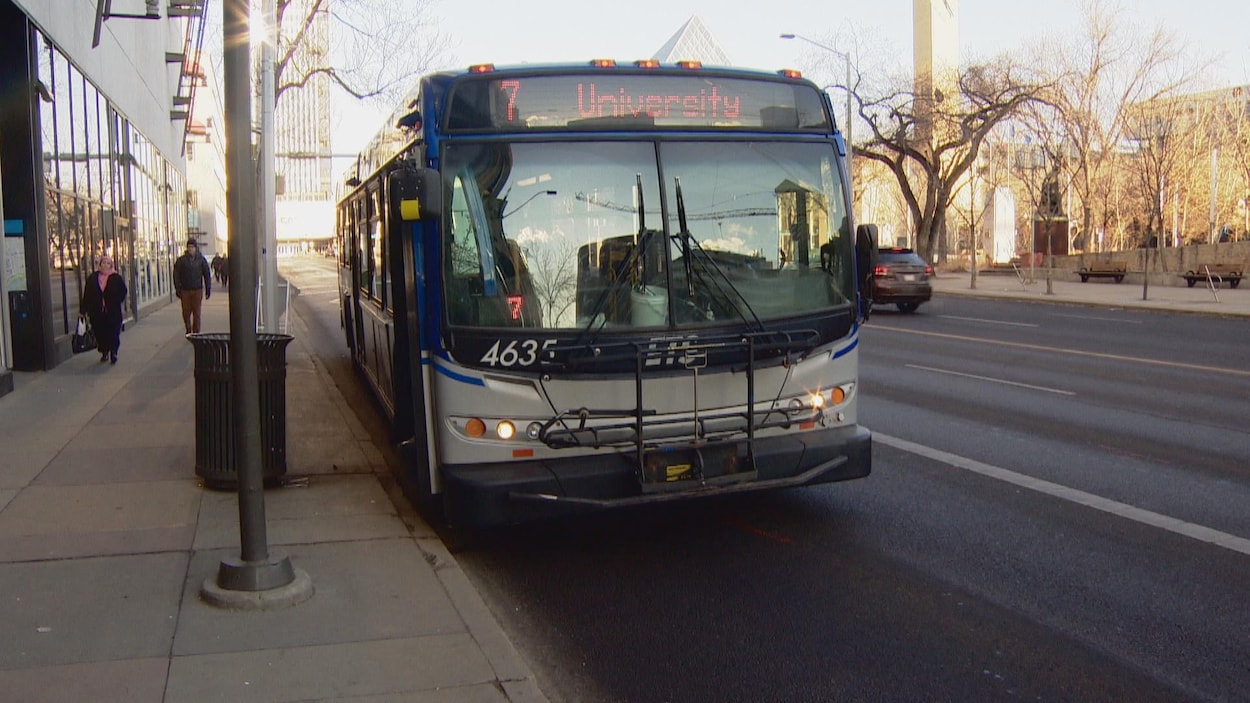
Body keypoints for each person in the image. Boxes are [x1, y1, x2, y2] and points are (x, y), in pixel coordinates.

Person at [80, 255, 128, 364]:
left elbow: (123, 291)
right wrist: (83, 311)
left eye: (108, 263)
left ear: (111, 265)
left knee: (114, 333)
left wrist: (116, 301)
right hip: (97, 313)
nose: (105, 265)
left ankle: (113, 352)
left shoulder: (116, 278)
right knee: (101, 333)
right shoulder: (93, 278)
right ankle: (104, 351)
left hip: (113, 312)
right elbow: (87, 295)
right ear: (99, 265)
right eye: (103, 263)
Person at [173, 237, 212, 334]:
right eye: (189, 247)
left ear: (196, 248)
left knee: (197, 313)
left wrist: (208, 289)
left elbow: (207, 274)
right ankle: (188, 328)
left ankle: (196, 332)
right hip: (185, 290)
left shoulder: (201, 260)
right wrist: (178, 288)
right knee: (186, 312)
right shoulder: (181, 260)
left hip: (197, 289)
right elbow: (176, 274)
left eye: (192, 247)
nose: (190, 249)